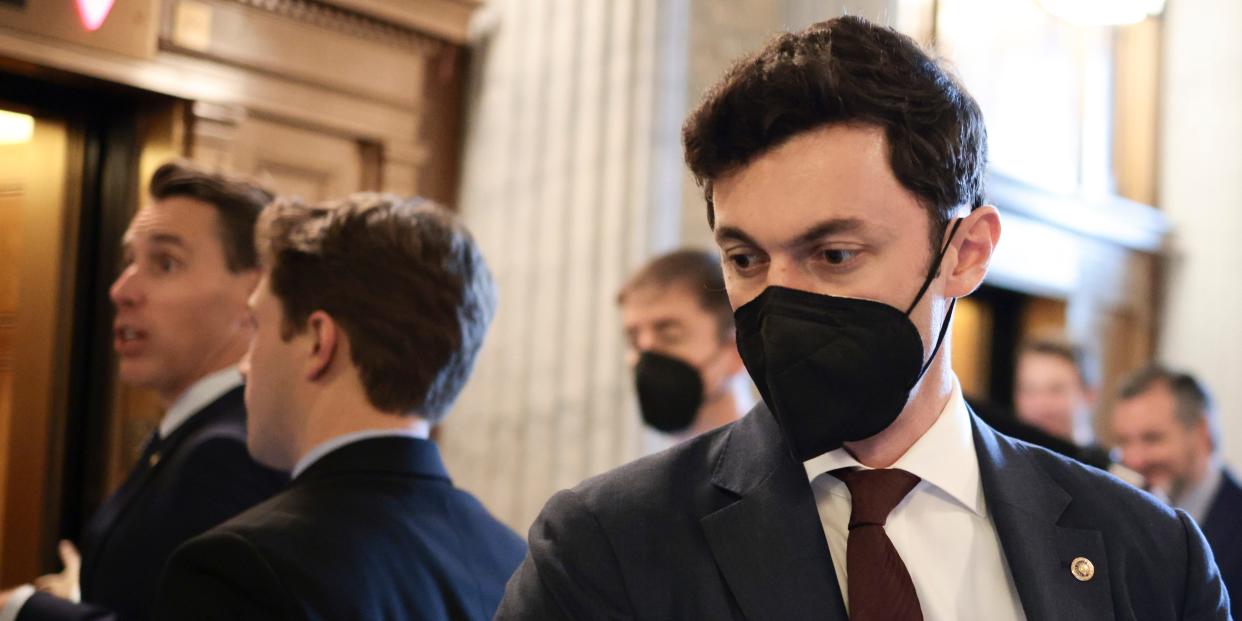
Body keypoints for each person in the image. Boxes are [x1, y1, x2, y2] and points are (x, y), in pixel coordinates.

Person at [497, 16, 1228, 620]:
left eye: (834, 253)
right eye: (747, 259)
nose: (778, 302)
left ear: (965, 253)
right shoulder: (607, 547)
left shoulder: (1151, 555)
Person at [154, 193, 526, 620]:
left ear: (318, 342)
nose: (243, 366)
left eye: (257, 327)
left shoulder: (236, 571)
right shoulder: (519, 564)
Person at [0, 162, 288, 621]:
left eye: (165, 263)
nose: (121, 290)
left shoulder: (232, 451)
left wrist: (22, 609)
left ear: (253, 292)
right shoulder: (192, 432)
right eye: (129, 261)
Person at [1111, 365, 1242, 617]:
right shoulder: (1126, 519)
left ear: (1202, 433)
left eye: (1152, 439)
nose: (1134, 459)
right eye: (1124, 441)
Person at [617, 249, 752, 437]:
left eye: (669, 335)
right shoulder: (652, 466)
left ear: (737, 352)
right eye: (634, 339)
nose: (645, 352)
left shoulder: (784, 462)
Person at [1014, 336, 1098, 445]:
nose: (1040, 403)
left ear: (1089, 395)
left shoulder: (1107, 461)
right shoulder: (1004, 459)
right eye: (1029, 390)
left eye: (1055, 390)